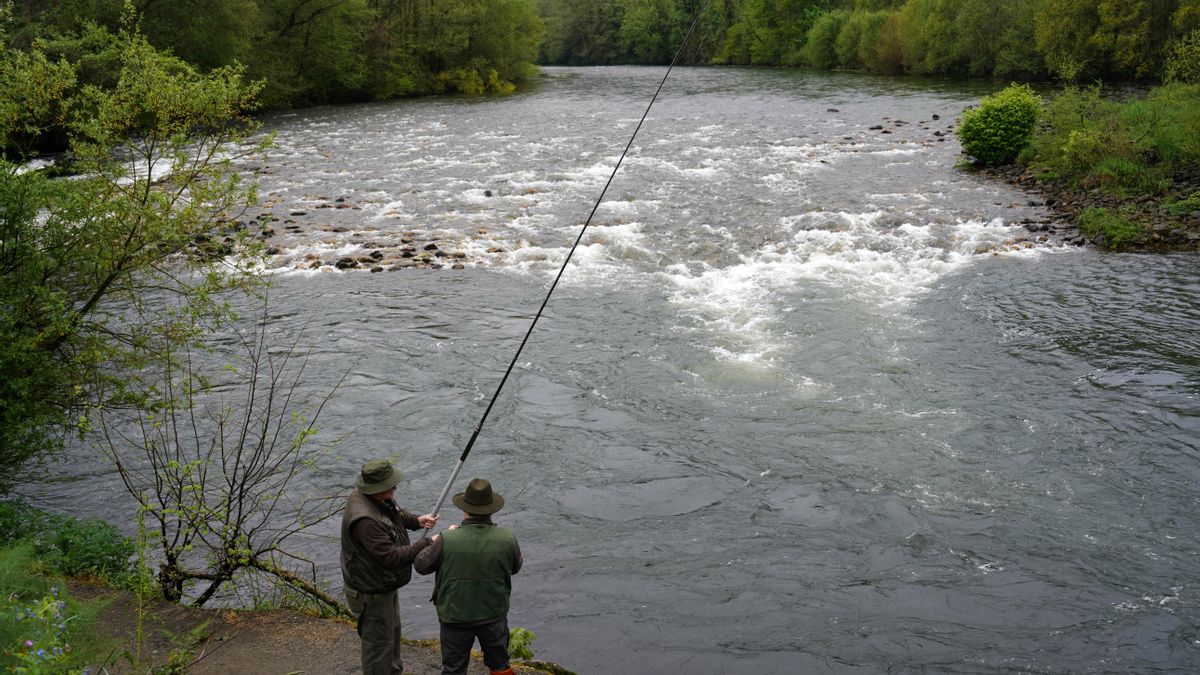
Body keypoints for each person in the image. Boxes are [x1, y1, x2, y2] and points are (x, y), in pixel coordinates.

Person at [341, 459, 439, 675]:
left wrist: (417, 521)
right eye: (391, 485)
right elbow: (392, 557)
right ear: (377, 488)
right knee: (379, 646)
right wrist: (428, 542)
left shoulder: (374, 498)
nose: (396, 487)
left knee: (391, 636)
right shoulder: (364, 520)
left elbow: (394, 513)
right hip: (370, 592)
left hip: (382, 583)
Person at [415, 477, 522, 675]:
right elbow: (515, 567)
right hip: (493, 613)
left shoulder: (447, 538)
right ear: (492, 509)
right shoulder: (507, 537)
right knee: (500, 664)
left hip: (455, 616)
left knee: (454, 669)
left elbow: (421, 566)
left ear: (464, 509)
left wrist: (434, 540)